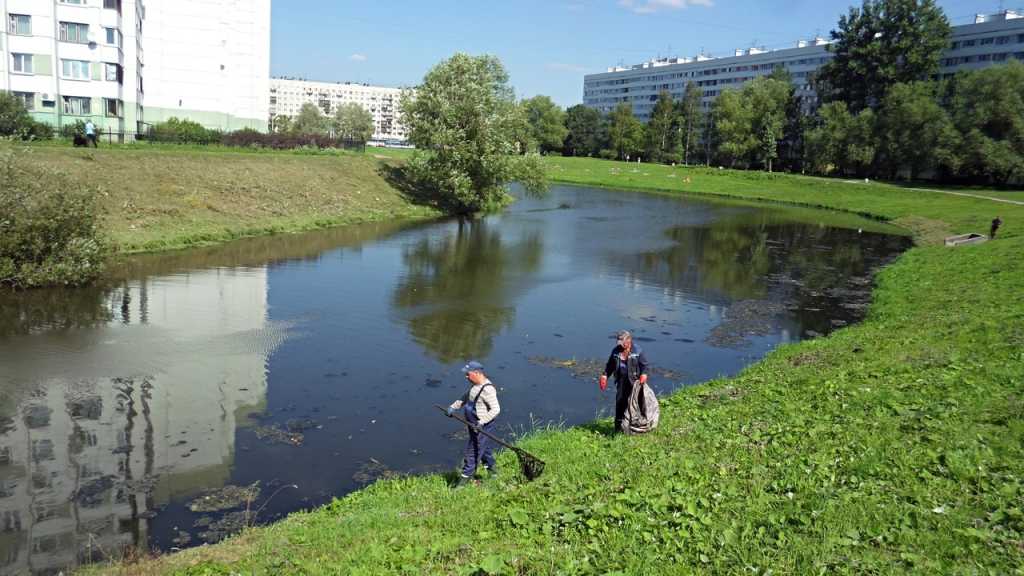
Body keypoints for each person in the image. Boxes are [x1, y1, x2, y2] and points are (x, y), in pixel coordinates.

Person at [446, 360, 500, 486]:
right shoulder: (475, 386)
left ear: (477, 373)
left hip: (482, 426)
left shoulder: (488, 390)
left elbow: (496, 409)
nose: (466, 377)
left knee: (473, 451)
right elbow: (466, 396)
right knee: (484, 448)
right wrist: (453, 407)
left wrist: (481, 422)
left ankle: (463, 482)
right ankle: (493, 472)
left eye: (468, 374)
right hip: (473, 424)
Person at [599, 330, 649, 432]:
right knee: (620, 403)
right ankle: (618, 429)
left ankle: (637, 427)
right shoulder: (616, 351)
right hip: (621, 381)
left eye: (623, 343)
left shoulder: (638, 351)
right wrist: (604, 376)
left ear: (629, 340)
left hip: (635, 382)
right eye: (619, 343)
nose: (621, 346)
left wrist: (644, 374)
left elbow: (644, 365)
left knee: (636, 404)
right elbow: (610, 366)